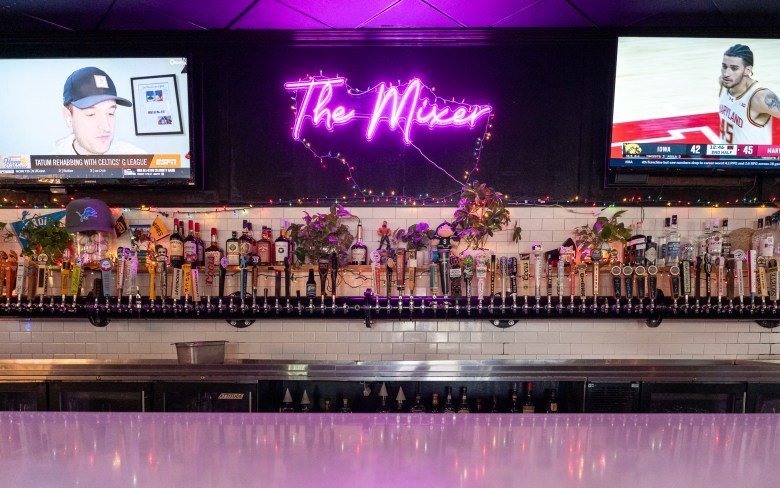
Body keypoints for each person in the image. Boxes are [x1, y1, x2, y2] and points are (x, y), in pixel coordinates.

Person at [54, 67, 146, 155]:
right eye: (91, 114)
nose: (106, 127)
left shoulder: (139, 159)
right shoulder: (49, 168)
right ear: (68, 117)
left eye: (110, 113)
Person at [719, 44, 780, 144]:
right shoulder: (723, 83)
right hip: (725, 156)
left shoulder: (759, 97)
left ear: (747, 70)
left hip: (752, 159)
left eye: (734, 68)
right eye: (724, 66)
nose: (726, 73)